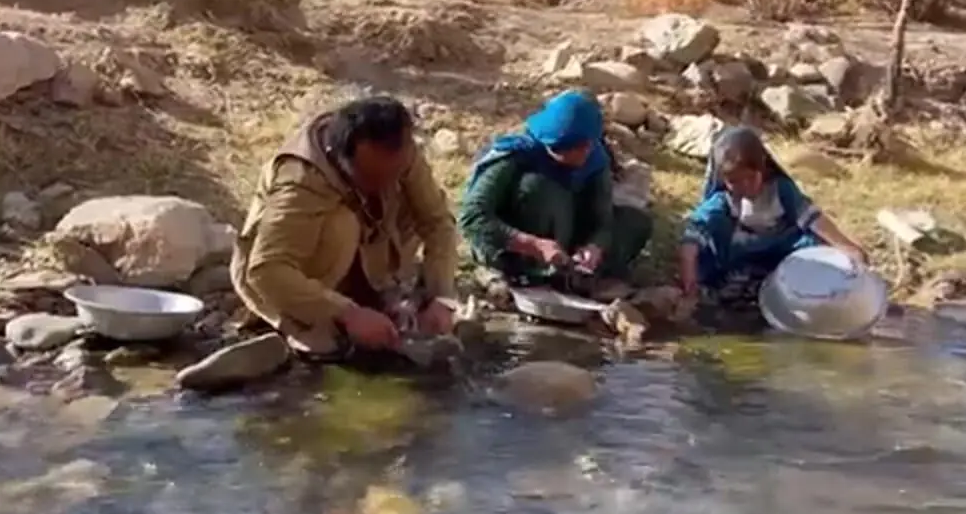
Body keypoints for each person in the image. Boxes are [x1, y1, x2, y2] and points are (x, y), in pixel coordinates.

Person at [230, 96, 460, 368]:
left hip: (364, 259)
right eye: (372, 178)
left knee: (417, 203)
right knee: (342, 225)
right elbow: (266, 271)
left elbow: (437, 223)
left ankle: (380, 296)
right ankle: (313, 324)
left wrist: (441, 297)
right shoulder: (301, 179)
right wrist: (347, 313)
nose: (384, 184)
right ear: (342, 158)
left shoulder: (400, 153)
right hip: (295, 276)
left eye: (393, 173)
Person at [458, 90, 653, 296]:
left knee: (635, 222)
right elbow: (472, 217)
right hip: (519, 244)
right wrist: (534, 245)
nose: (584, 153)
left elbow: (603, 220)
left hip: (567, 240)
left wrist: (595, 246)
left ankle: (577, 276)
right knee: (539, 186)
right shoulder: (516, 153)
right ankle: (524, 273)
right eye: (575, 148)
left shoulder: (596, 160)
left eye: (587, 145)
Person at [678, 126, 867, 309]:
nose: (744, 186)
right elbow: (693, 235)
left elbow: (812, 218)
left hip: (781, 248)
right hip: (740, 255)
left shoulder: (780, 189)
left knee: (820, 248)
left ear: (762, 167)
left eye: (750, 178)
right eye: (734, 181)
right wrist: (689, 281)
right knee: (708, 258)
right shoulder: (723, 201)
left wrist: (846, 246)